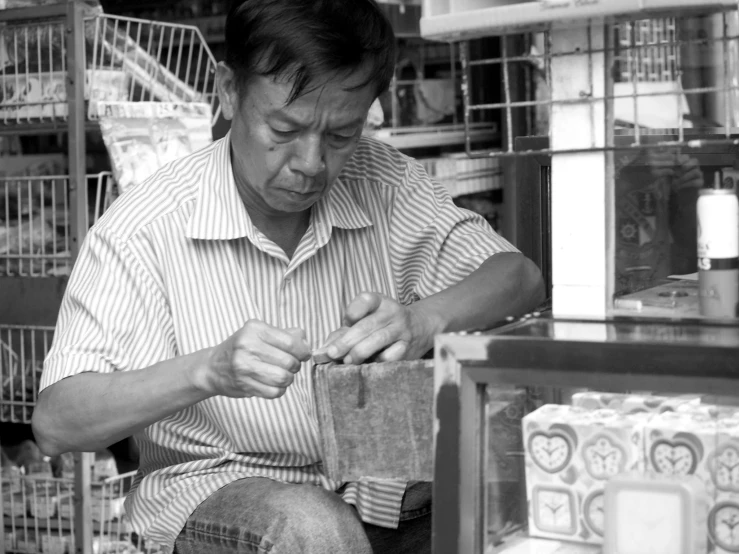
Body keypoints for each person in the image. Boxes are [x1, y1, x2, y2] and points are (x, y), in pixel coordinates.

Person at [32, 1, 545, 552]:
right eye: (285, 128)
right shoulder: (144, 227)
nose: (311, 162)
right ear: (228, 91)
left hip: (380, 490)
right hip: (224, 497)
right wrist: (209, 371)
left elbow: (520, 277)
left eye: (341, 135)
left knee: (506, 475)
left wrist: (423, 321)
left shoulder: (387, 181)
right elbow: (58, 422)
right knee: (311, 526)